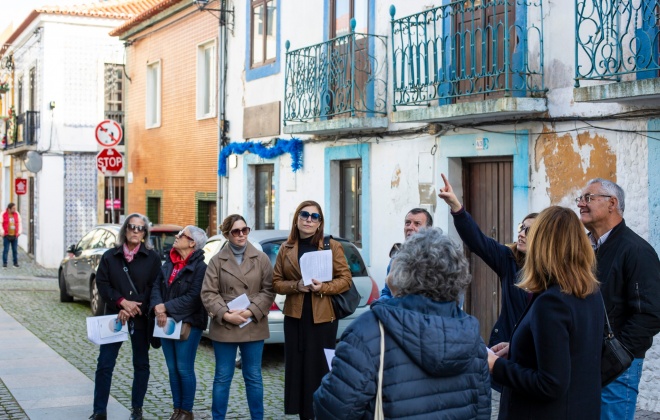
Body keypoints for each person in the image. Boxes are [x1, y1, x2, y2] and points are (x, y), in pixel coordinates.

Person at [314, 227, 491, 419]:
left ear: (405, 270)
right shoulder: (473, 339)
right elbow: (482, 411)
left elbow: (332, 410)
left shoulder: (369, 330)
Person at [488, 206, 604, 419]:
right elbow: (571, 349)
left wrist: (496, 365)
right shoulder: (589, 291)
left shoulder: (552, 301)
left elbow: (551, 383)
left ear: (543, 245)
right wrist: (518, 348)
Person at [576, 178, 660, 420]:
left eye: (588, 198)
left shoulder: (636, 250)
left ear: (612, 203)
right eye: (580, 199)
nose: (581, 203)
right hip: (585, 360)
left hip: (617, 368)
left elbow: (650, 314)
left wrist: (616, 357)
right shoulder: (583, 248)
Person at [272, 200, 352, 420]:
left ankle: (321, 412)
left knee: (319, 368)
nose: (309, 219)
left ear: (320, 223)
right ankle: (303, 415)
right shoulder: (286, 248)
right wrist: (295, 286)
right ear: (297, 219)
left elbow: (345, 279)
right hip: (295, 318)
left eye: (314, 216)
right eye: (304, 215)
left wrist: (323, 288)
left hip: (323, 317)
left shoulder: (331, 246)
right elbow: (276, 282)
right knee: (297, 369)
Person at [438, 173, 536, 348]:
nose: (521, 234)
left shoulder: (554, 272)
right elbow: (477, 241)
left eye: (528, 231)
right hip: (505, 347)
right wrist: (456, 207)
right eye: (521, 228)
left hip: (534, 351)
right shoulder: (509, 259)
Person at [201, 214, 275, 420]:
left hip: (253, 323)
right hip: (226, 324)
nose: (242, 235)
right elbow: (208, 293)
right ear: (226, 234)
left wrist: (251, 310)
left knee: (253, 377)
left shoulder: (261, 259)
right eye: (236, 231)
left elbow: (269, 290)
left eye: (245, 230)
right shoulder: (216, 261)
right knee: (223, 377)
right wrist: (225, 314)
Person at [90, 214, 162, 420]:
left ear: (145, 233)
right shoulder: (110, 256)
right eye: (132, 227)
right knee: (105, 364)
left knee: (141, 364)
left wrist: (133, 306)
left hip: (140, 318)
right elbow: (103, 284)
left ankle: (137, 409)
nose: (136, 231)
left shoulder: (152, 258)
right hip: (114, 316)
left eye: (141, 228)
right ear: (125, 230)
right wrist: (121, 302)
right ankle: (99, 410)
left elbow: (154, 287)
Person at [150, 225, 208, 420]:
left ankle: (186, 411)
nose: (177, 236)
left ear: (192, 243)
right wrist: (158, 306)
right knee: (173, 369)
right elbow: (156, 286)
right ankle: (176, 410)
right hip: (165, 323)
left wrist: (165, 307)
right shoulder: (169, 262)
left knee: (184, 368)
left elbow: (194, 298)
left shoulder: (201, 268)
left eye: (182, 235)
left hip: (188, 324)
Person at [379, 207, 433, 300]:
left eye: (417, 224)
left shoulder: (438, 258)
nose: (410, 227)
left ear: (428, 229)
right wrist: (382, 305)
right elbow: (387, 292)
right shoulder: (396, 258)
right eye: (407, 223)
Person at [1, 203, 21, 268]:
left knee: (15, 250)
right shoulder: (3, 214)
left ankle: (15, 263)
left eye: (15, 208)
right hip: (7, 235)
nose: (15, 209)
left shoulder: (17, 214)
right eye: (13, 208)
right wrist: (2, 232)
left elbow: (20, 223)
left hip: (14, 235)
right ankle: (5, 263)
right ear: (9, 209)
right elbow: (0, 223)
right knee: (6, 250)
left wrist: (19, 232)